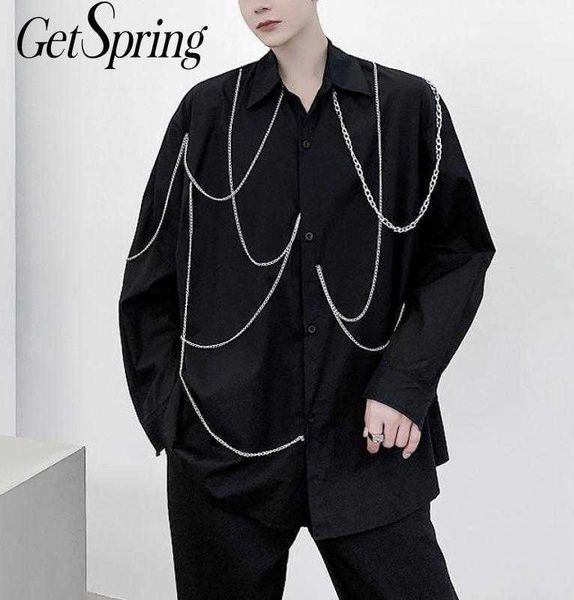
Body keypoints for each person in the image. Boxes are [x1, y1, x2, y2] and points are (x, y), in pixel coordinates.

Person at [118, 1, 496, 598]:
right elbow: (150, 272)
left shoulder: (405, 107)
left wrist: (404, 383)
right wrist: (173, 415)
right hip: (223, 448)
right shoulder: (206, 113)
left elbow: (459, 255)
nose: (259, 3)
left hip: (367, 439)